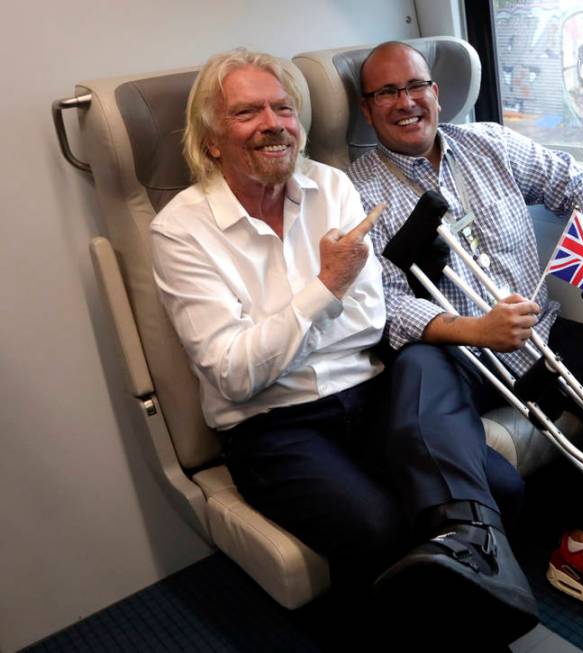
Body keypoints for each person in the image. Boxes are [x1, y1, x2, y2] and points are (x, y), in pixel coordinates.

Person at [150, 48, 538, 647]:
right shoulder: (181, 230)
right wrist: (325, 285)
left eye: (284, 107)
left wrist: (279, 336)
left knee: (501, 484)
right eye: (248, 112)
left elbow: (371, 318)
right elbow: (234, 375)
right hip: (273, 426)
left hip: (369, 390)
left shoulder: (330, 186)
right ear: (211, 141)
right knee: (380, 525)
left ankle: (472, 601)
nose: (273, 122)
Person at [349, 41, 583, 629]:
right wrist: (477, 329)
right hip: (459, 358)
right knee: (418, 379)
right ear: (366, 107)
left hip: (540, 336)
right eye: (387, 92)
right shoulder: (356, 192)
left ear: (436, 92)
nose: (406, 102)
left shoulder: (489, 143)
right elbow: (385, 307)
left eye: (415, 86)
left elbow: (579, 181)